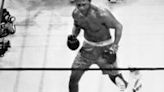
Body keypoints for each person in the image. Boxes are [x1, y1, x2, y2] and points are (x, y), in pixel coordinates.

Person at [67, 0, 141, 92]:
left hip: (105, 48)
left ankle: (133, 85)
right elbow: (77, 25)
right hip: (87, 48)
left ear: (90, 2)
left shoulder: (102, 14)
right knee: (73, 79)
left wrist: (114, 46)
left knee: (114, 77)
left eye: (84, 5)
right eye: (79, 5)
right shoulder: (76, 13)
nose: (81, 8)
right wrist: (73, 36)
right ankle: (133, 84)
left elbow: (118, 26)